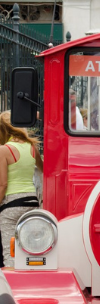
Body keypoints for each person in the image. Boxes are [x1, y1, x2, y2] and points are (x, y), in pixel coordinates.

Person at [0, 111, 43, 267]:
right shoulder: (32, 147)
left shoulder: (4, 150)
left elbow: (3, 184)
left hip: (11, 204)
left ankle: (11, 286)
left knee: (9, 251)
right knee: (28, 248)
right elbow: (44, 169)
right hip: (32, 202)